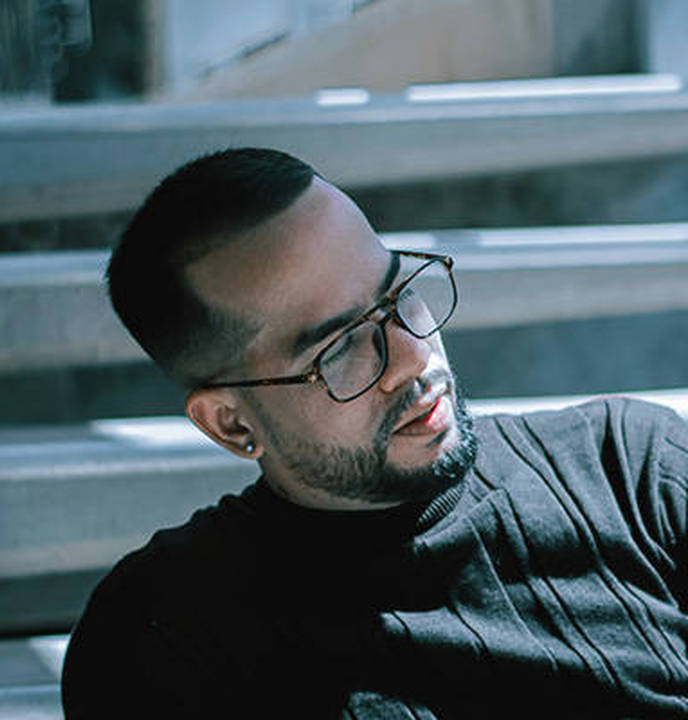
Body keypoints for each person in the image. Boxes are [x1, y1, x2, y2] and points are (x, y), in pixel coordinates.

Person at [61, 148, 688, 719]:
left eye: (400, 293)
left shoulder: (629, 467)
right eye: (338, 349)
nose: (414, 355)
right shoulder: (167, 636)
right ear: (231, 423)